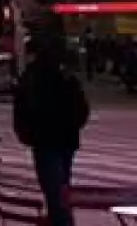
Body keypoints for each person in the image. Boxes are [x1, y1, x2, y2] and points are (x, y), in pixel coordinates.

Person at [13, 36, 90, 226]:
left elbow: (22, 107)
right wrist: (73, 126)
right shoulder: (66, 77)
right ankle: (61, 219)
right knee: (61, 186)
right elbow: (81, 108)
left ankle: (61, 222)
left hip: (44, 140)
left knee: (53, 189)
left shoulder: (32, 77)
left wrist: (25, 132)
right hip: (66, 138)